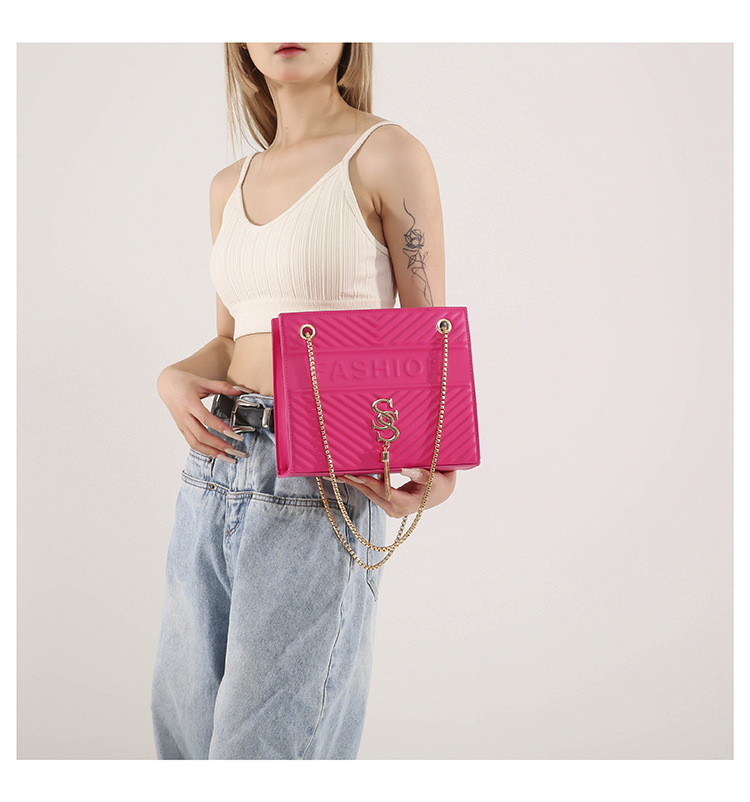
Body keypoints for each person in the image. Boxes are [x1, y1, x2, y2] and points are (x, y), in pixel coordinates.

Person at [150, 42, 456, 760]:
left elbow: (431, 333)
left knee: (266, 750)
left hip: (321, 476)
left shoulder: (386, 154)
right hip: (213, 469)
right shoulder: (229, 184)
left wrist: (439, 465)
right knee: (184, 739)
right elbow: (232, 339)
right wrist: (173, 376)